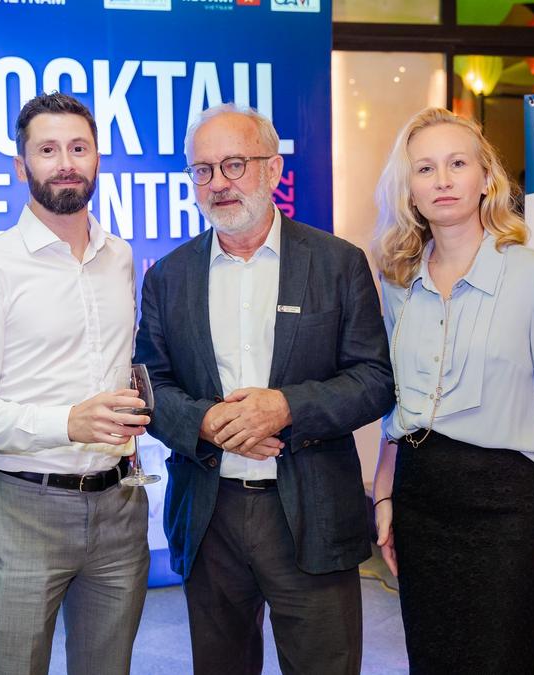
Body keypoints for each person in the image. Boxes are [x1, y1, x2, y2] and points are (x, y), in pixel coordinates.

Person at [135, 104, 394, 675]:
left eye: (234, 165)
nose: (218, 184)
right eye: (203, 170)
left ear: (273, 169)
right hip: (210, 514)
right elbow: (151, 386)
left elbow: (375, 380)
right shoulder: (168, 277)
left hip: (312, 510)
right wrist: (207, 423)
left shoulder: (337, 264)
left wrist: (285, 408)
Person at [370, 107, 534, 673]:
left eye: (457, 163)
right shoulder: (398, 282)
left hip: (509, 507)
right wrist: (384, 494)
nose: (442, 180)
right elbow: (400, 403)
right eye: (425, 169)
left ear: (485, 178)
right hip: (421, 499)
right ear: (409, 190)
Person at [0, 92, 149, 675]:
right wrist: (67, 422)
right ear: (21, 166)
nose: (66, 163)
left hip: (121, 503)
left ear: (97, 159)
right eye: (48, 150)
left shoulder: (120, 257)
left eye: (79, 148)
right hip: (25, 508)